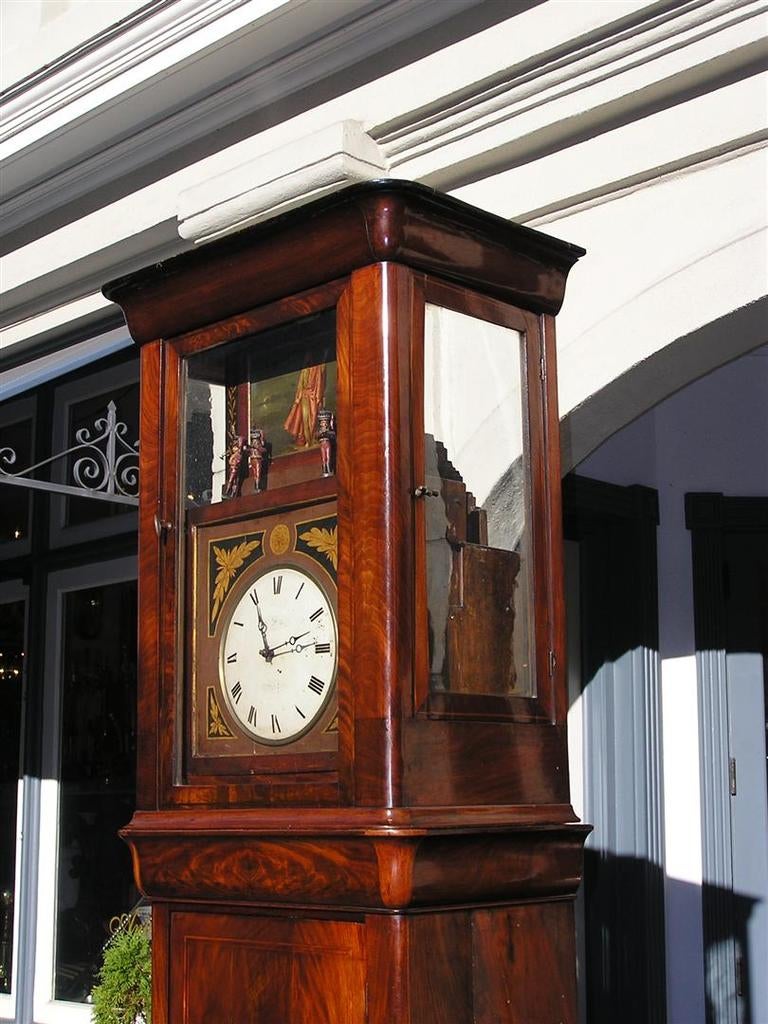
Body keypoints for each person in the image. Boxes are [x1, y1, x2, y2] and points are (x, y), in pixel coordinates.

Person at [284, 363, 326, 447]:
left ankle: (312, 438)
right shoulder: (305, 370)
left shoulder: (318, 368)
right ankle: (307, 440)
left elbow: (319, 383)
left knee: (313, 418)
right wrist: (298, 397)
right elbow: (301, 384)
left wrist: (318, 398)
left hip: (313, 397)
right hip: (305, 397)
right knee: (305, 418)